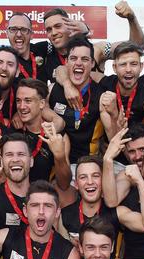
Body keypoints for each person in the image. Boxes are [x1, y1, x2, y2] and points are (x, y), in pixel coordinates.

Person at [58, 155, 144, 245]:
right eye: (83, 177)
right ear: (76, 184)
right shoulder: (65, 215)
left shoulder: (117, 212)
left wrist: (140, 182)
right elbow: (62, 254)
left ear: (103, 180)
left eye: (95, 176)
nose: (90, 182)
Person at [49, 36, 106, 164]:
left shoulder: (101, 95)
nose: (78, 63)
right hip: (57, 165)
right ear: (66, 62)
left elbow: (112, 136)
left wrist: (114, 116)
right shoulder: (52, 90)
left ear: (92, 64)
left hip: (88, 166)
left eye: (84, 59)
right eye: (73, 58)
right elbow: (38, 111)